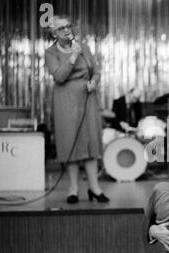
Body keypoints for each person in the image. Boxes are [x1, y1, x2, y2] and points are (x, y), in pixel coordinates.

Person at [45, 15, 109, 204]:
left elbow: (96, 71)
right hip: (65, 100)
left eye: (68, 26)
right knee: (70, 142)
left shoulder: (85, 47)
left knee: (90, 143)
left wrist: (94, 82)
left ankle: (94, 188)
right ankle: (73, 189)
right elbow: (60, 76)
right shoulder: (50, 53)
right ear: (54, 33)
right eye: (61, 28)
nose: (67, 30)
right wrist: (73, 55)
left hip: (87, 99)